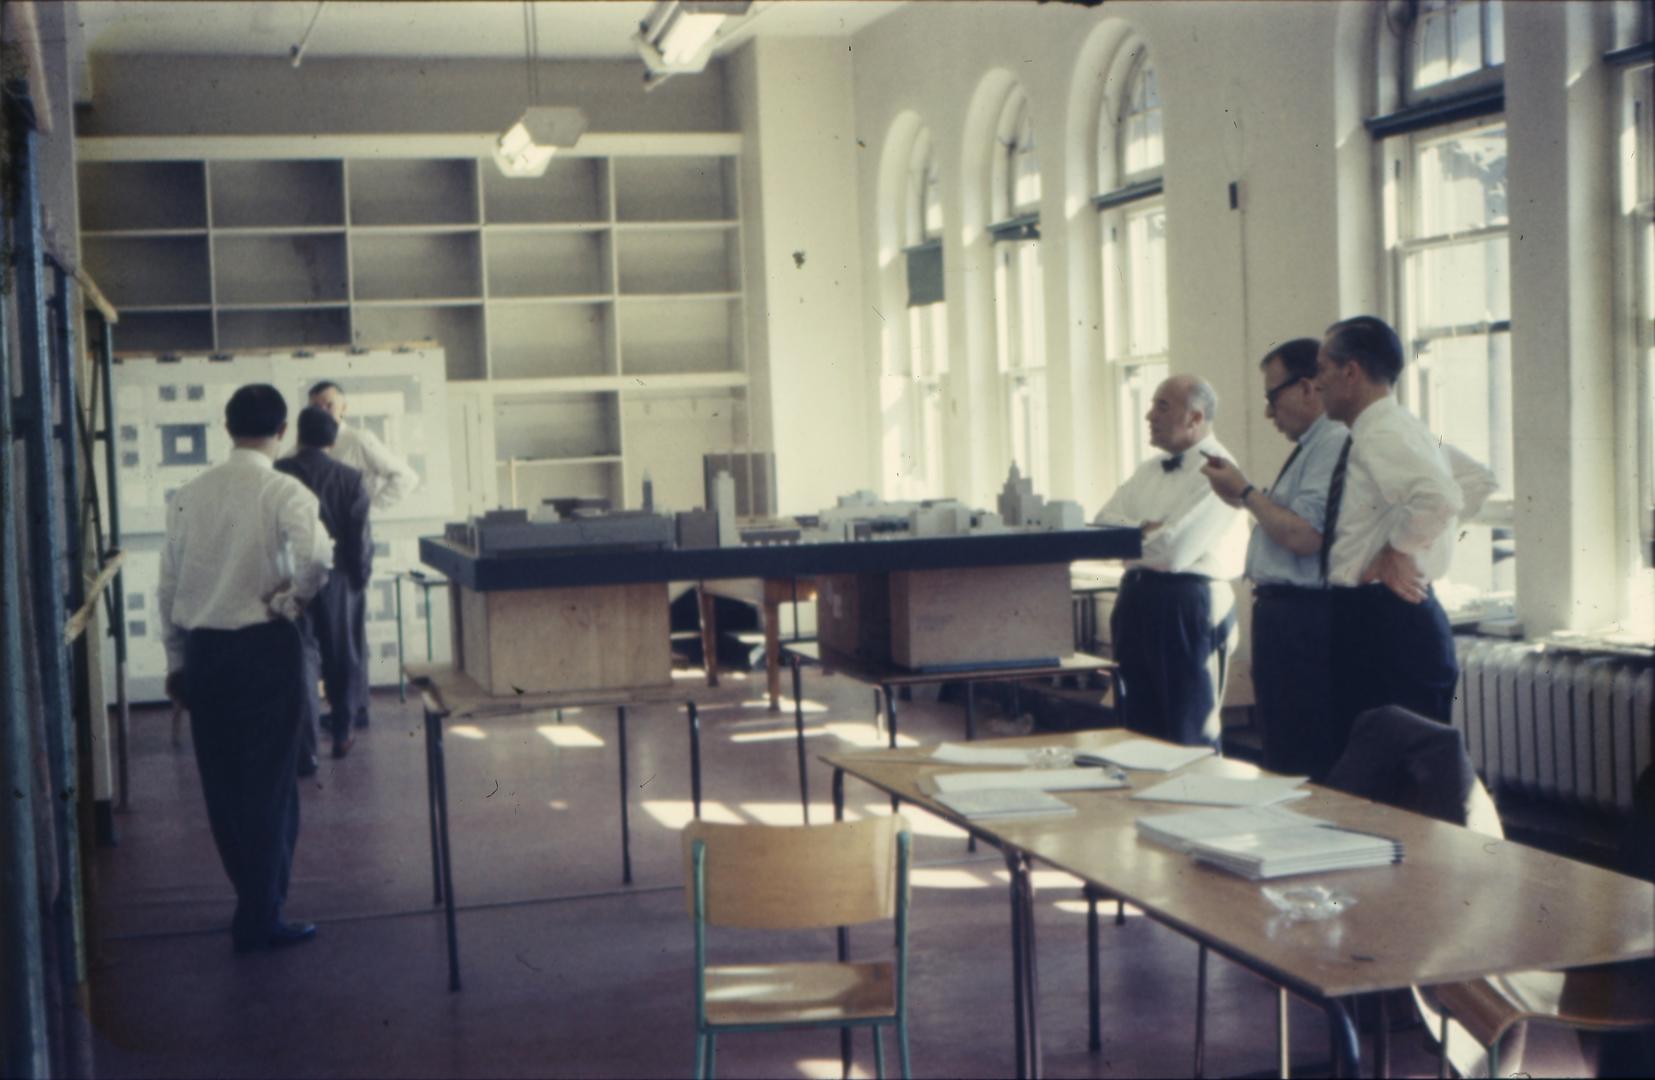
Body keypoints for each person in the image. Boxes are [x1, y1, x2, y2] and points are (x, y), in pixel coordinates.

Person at [158, 384, 333, 953]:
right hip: (264, 649)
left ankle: (252, 903)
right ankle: (260, 914)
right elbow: (316, 559)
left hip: (206, 653)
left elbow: (166, 588)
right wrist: (288, 603)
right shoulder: (285, 490)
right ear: (282, 431)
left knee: (224, 787)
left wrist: (178, 661)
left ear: (226, 427)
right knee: (272, 785)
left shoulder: (188, 494)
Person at [1200, 339, 1349, 779]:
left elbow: (1305, 535)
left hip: (1303, 619)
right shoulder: (1311, 446)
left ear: (1307, 388)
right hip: (1283, 615)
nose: (1268, 413)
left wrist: (1246, 494)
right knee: (1283, 745)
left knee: (1299, 752)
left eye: (1272, 396)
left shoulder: (1332, 441)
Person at [1312, 315, 1464, 746]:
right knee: (1370, 773)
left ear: (1351, 371)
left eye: (1322, 368)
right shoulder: (1385, 429)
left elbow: (1442, 498)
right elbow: (1464, 484)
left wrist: (1397, 550)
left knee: (1397, 782)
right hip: (1372, 620)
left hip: (1388, 623)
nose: (1317, 382)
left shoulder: (1385, 432)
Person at [1096, 375, 1247, 746]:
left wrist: (1133, 533)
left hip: (1187, 604)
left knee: (1189, 731)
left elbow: (1175, 552)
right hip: (1135, 599)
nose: (1149, 415)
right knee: (1134, 730)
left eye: (1162, 406)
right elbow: (1101, 525)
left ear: (1195, 418)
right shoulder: (1150, 470)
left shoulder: (1220, 470)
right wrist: (1146, 530)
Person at [307, 380, 420, 729]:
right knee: (330, 633)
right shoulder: (311, 445)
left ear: (344, 408)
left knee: (350, 632)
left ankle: (357, 709)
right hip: (319, 545)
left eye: (328, 405)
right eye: (316, 406)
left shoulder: (359, 441)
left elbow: (404, 477)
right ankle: (345, 707)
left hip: (351, 542)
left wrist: (368, 510)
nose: (322, 411)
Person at [277, 406, 374, 769]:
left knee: (300, 656)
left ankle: (306, 747)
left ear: (297, 436)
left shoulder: (280, 474)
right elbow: (360, 537)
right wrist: (359, 578)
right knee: (342, 655)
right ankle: (343, 732)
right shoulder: (349, 478)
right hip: (339, 578)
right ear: (333, 440)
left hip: (292, 576)